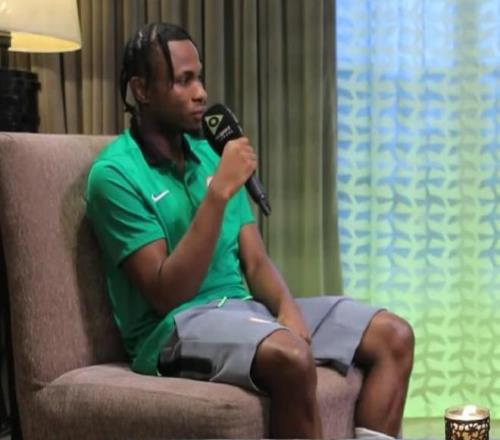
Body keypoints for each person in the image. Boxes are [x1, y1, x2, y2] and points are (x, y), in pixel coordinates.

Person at [85, 22, 414, 439]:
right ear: (142, 89)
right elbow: (167, 294)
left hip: (245, 312)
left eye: (199, 77)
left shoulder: (209, 155)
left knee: (394, 337)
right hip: (174, 329)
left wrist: (287, 308)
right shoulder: (114, 175)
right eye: (184, 81)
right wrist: (218, 193)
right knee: (290, 357)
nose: (201, 92)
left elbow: (255, 261)